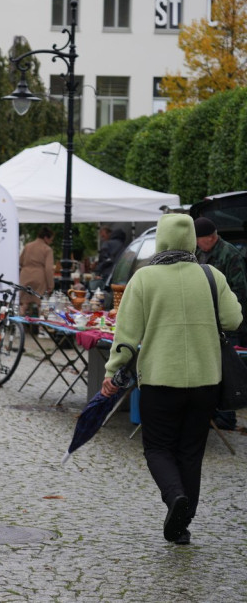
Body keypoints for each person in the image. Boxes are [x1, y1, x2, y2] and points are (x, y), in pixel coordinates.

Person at [102, 213, 241, 545]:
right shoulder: (212, 276)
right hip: (206, 380)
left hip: (161, 380)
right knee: (191, 452)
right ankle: (181, 526)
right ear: (192, 239)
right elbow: (233, 318)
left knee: (158, 448)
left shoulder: (144, 278)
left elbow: (126, 333)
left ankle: (174, 496)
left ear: (160, 240)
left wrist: (112, 372)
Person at [194, 215, 247, 431]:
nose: (196, 242)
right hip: (204, 320)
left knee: (226, 368)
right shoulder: (199, 253)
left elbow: (240, 291)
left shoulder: (230, 255)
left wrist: (221, 311)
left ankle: (227, 417)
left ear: (210, 237)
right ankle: (210, 411)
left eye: (198, 238)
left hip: (227, 323)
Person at [18, 227, 55, 316]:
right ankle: (40, 326)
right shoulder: (47, 249)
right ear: (46, 238)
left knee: (24, 303)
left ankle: (20, 325)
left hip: (25, 275)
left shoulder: (27, 246)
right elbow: (49, 269)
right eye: (51, 239)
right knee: (40, 304)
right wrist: (50, 285)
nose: (51, 242)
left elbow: (20, 261)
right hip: (39, 277)